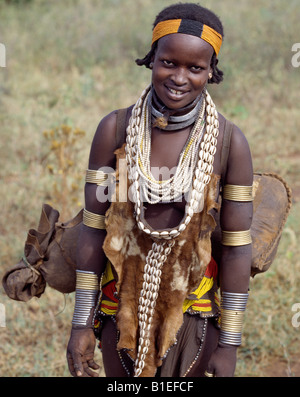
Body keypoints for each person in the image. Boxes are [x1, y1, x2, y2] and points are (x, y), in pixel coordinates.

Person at [66, 2, 253, 378]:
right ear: (152, 59)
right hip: (121, 304)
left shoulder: (229, 143)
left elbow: (236, 247)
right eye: (169, 62)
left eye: (195, 68)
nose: (179, 77)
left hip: (193, 310)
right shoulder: (114, 130)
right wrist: (80, 323)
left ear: (211, 72)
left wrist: (229, 344)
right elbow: (93, 226)